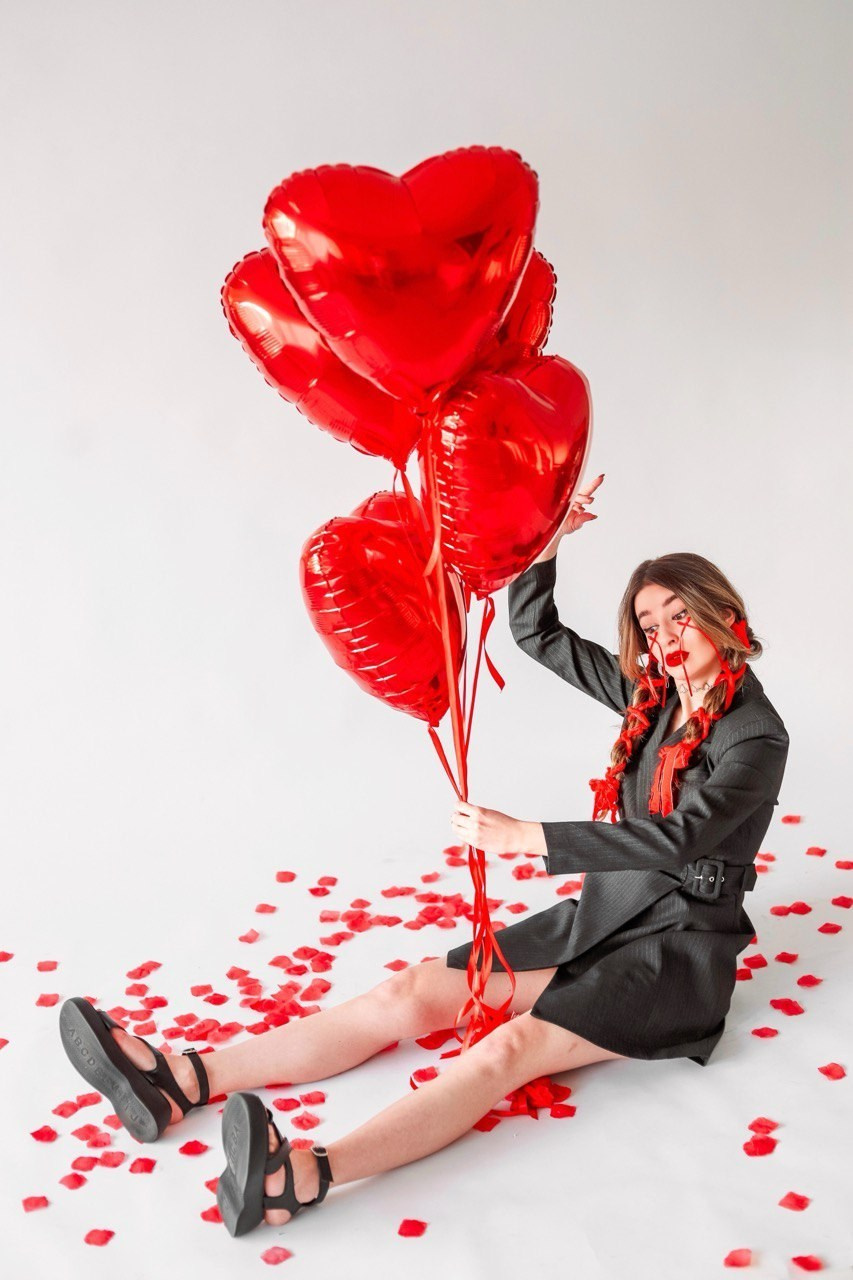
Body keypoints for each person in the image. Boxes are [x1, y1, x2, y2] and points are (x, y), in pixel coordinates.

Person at [58, 472, 789, 1236]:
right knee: (412, 992)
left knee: (508, 1050)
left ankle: (298, 1177)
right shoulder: (652, 697)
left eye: (680, 616)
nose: (664, 637)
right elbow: (536, 635)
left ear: (721, 614)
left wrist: (527, 836)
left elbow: (681, 837)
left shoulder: (756, 736)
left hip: (676, 955)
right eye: (648, 623)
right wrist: (546, 543)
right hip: (603, 918)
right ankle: (180, 1079)